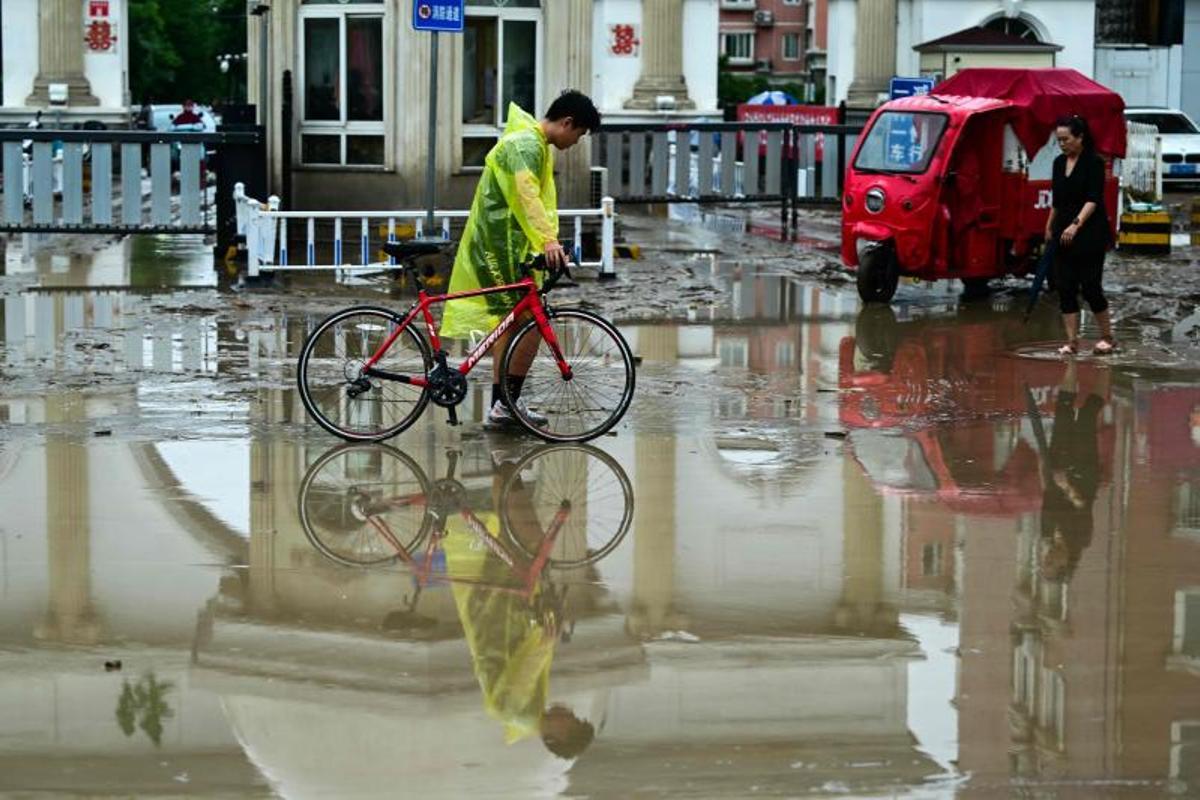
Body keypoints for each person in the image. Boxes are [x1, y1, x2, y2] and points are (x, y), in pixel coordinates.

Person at [439, 90, 601, 430]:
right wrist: (548, 240)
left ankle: (504, 404)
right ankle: (505, 404)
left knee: (513, 322)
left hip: (505, 244)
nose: (577, 142)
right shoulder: (526, 145)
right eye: (580, 134)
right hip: (498, 247)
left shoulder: (531, 142)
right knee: (528, 322)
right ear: (567, 123)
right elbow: (527, 195)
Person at [1045, 115, 1116, 356]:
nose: (1063, 144)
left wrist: (1076, 224)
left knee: (1090, 286)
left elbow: (1093, 199)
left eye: (1066, 139)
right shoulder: (1058, 163)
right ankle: (1071, 341)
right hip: (1062, 232)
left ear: (1080, 137)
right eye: (1059, 140)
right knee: (1064, 286)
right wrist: (1049, 226)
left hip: (1090, 233)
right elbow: (1057, 200)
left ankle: (1107, 337)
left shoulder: (1093, 162)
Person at [1039, 361, 1107, 582]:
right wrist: (1067, 485)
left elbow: (1046, 498)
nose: (1046, 558)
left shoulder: (1047, 533)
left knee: (1063, 411)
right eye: (1050, 563)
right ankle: (1107, 366)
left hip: (1056, 468)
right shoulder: (1081, 539)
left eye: (1044, 562)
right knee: (1087, 414)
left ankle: (1072, 361)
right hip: (1082, 474)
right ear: (1064, 564)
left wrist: (1043, 469)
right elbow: (1082, 506)